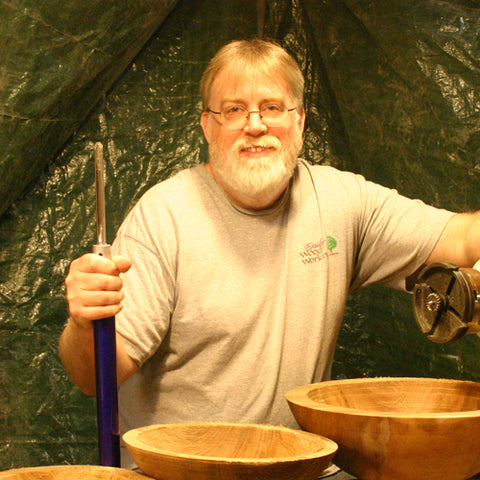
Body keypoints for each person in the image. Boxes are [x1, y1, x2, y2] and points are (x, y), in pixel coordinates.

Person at [59, 38, 480, 476]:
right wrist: (85, 322)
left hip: (300, 470)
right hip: (184, 473)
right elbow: (93, 377)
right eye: (234, 110)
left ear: (299, 122)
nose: (255, 125)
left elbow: (464, 238)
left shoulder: (342, 201)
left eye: (273, 108)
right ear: (207, 126)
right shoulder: (163, 217)